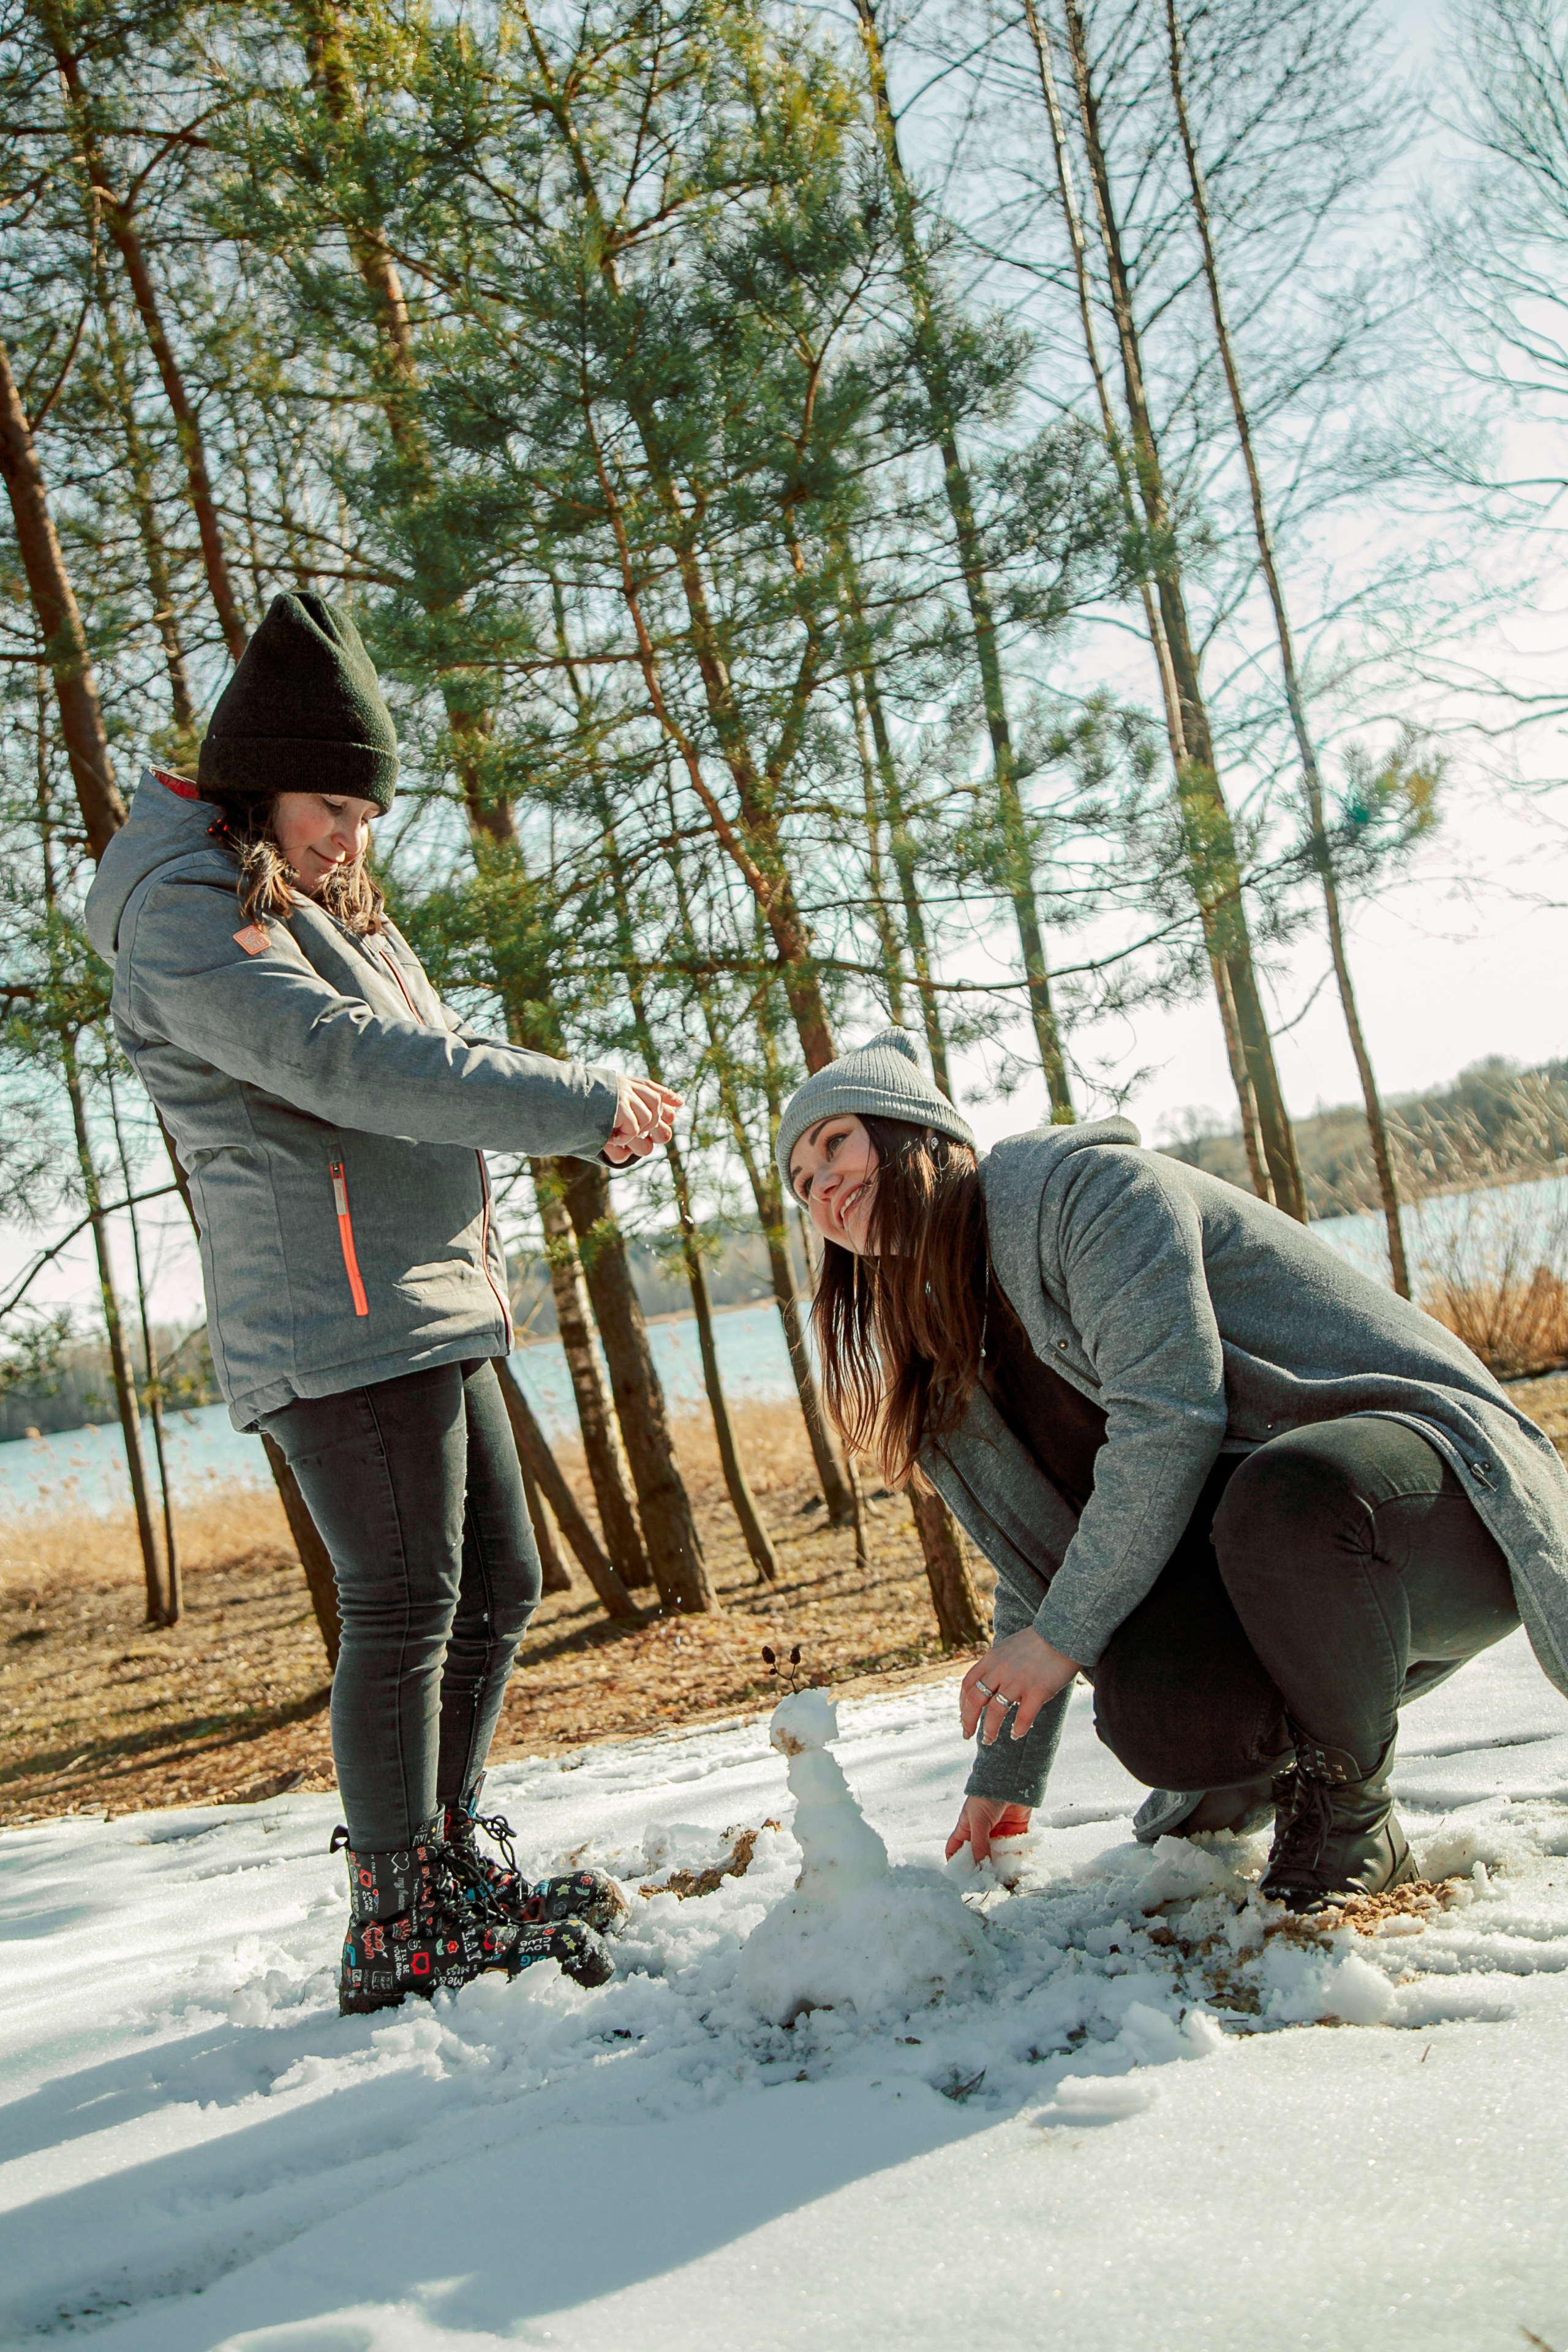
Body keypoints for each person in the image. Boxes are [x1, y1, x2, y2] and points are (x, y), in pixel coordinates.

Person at [86, 592, 681, 2011]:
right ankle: (397, 1916)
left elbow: (430, 1044)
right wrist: (572, 1104)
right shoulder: (186, 906)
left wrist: (576, 1090)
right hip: (336, 1315)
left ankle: (447, 1863)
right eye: (329, 805)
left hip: (423, 1296)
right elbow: (341, 1064)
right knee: (406, 1598)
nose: (350, 839)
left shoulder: (293, 886)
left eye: (363, 813)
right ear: (255, 777)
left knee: (503, 1588)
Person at [777, 1029, 1568, 1910]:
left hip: (1435, 1498)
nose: (825, 1187)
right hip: (1286, 1553)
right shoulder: (950, 1347)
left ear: (915, 1130)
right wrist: (1006, 1771)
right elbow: (1045, 1550)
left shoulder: (1089, 1196)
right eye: (803, 1185)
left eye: (835, 1143)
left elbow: (1172, 1417)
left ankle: (1354, 1814)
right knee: (1157, 1712)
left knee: (1285, 1495)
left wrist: (1063, 1641)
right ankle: (1246, 1778)